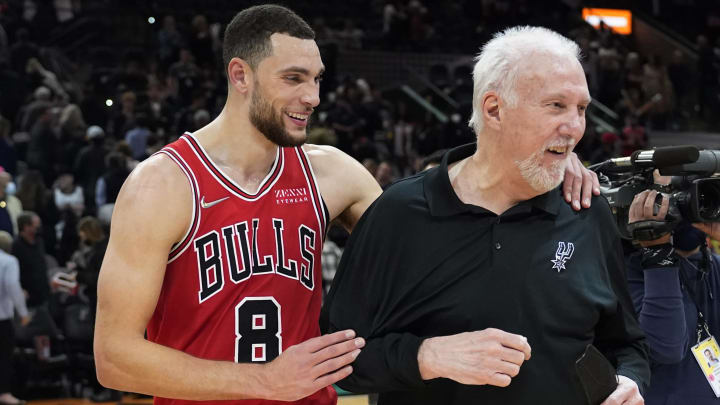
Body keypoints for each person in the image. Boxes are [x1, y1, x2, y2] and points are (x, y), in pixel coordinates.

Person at [94, 7, 600, 405]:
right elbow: (113, 359)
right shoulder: (162, 185)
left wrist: (544, 163)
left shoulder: (331, 172)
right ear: (240, 75)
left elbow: (440, 223)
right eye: (293, 78)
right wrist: (264, 381)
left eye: (317, 78)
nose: (312, 95)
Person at [322, 26, 648, 405]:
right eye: (556, 106)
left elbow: (627, 344)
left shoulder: (585, 211)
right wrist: (426, 357)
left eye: (581, 109)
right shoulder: (401, 213)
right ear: (494, 109)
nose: (575, 127)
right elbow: (335, 357)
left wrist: (629, 380)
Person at [626, 187, 720, 404]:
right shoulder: (628, 271)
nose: (685, 203)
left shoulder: (709, 265)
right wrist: (658, 255)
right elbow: (667, 349)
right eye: (668, 194)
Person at [0, 230, 30, 405]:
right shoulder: (9, 261)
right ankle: (3, 393)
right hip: (2, 317)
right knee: (3, 355)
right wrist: (23, 312)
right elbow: (12, 285)